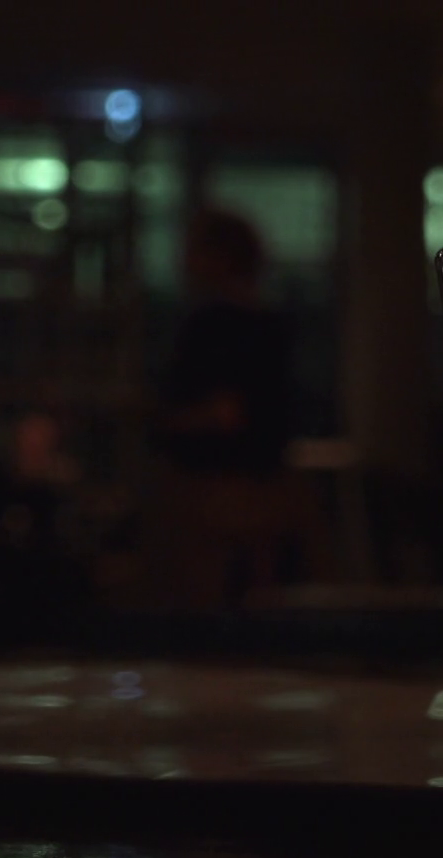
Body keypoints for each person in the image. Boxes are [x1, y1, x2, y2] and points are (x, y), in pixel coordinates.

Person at [150, 210, 300, 608]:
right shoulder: (268, 324)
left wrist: (160, 421)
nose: (184, 260)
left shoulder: (214, 326)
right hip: (262, 488)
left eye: (194, 250)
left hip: (216, 491)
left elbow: (224, 414)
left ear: (219, 257)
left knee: (200, 603)